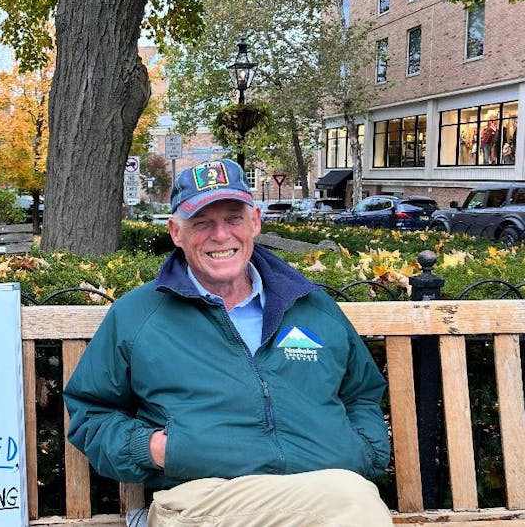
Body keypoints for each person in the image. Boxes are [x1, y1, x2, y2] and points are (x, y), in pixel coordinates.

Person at [63, 159, 392, 527]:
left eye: (233, 219)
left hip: (319, 487)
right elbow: (91, 412)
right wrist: (155, 449)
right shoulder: (139, 315)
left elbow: (361, 391)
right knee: (354, 504)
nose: (220, 236)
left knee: (347, 498)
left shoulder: (311, 306)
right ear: (176, 232)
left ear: (254, 222)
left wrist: (363, 449)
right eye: (202, 223)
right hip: (203, 500)